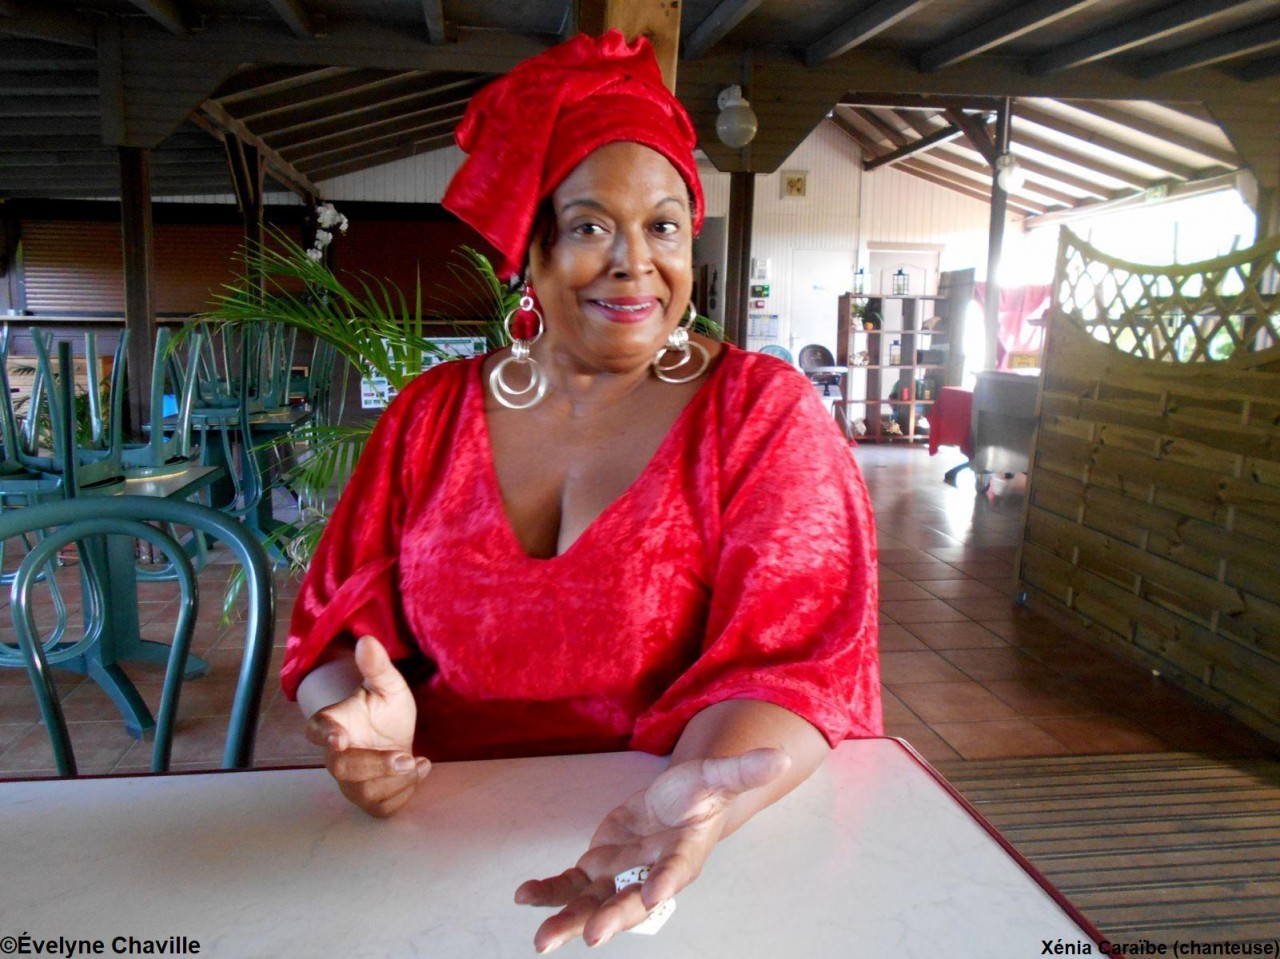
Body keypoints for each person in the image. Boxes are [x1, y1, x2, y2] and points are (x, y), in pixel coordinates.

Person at [280, 30, 881, 953]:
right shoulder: (428, 416)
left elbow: (794, 662)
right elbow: (337, 625)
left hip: (677, 866)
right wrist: (363, 733)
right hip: (428, 842)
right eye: (591, 225)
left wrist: (702, 796)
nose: (634, 261)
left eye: (663, 225)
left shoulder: (761, 414)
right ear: (534, 249)